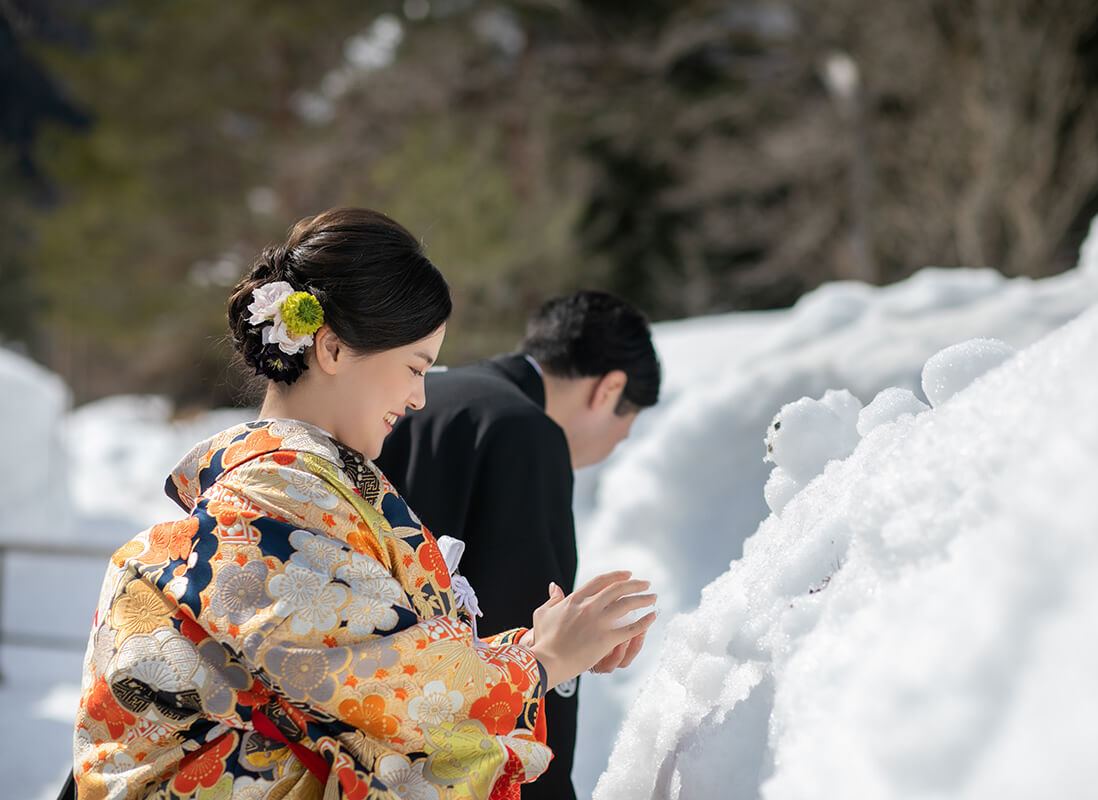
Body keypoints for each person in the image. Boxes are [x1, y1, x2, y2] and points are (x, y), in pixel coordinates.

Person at [69, 208, 656, 800]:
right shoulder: (272, 500)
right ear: (329, 349)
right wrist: (545, 661)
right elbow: (381, 682)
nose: (420, 397)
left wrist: (536, 647)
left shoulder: (298, 488)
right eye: (413, 367)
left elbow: (370, 653)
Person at [373, 290, 662, 800]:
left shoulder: (412, 395)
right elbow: (531, 631)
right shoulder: (526, 431)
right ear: (609, 389)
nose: (610, 449)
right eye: (623, 430)